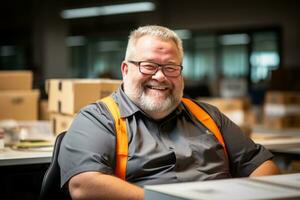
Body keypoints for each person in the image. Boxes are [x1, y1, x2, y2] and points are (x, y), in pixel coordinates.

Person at [58, 25, 280, 200]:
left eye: (170, 67)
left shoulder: (209, 116)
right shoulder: (99, 119)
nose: (160, 77)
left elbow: (263, 166)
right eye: (149, 65)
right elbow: (83, 185)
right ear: (125, 69)